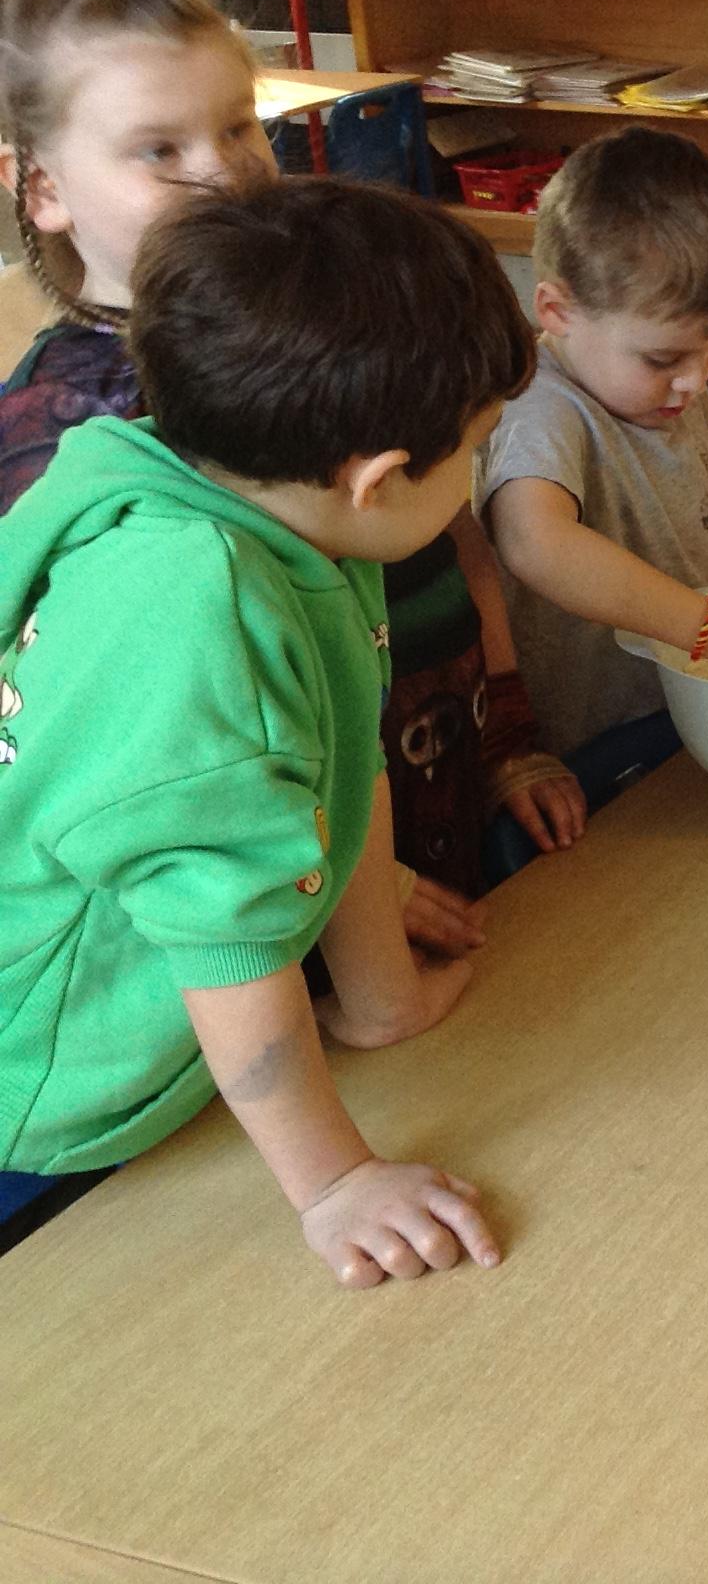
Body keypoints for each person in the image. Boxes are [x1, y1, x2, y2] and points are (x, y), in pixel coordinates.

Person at [0, 177, 534, 1284]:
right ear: (380, 480)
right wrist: (335, 1183)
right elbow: (226, 944)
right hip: (44, 1072)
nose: (477, 472)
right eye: (478, 446)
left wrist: (381, 1000)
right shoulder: (210, 624)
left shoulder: (279, 507)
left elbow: (340, 759)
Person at [0, 0, 582, 914]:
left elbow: (450, 520)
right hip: (266, 892)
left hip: (419, 773)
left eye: (239, 126)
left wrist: (507, 738)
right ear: (43, 188)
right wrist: (355, 882)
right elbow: (106, 728)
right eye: (159, 150)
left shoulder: (334, 312)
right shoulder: (63, 434)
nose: (224, 173)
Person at [477, 127, 708, 872]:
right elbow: (534, 542)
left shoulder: (667, 390)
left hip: (689, 714)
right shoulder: (542, 407)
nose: (695, 381)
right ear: (556, 310)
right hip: (589, 753)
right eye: (664, 357)